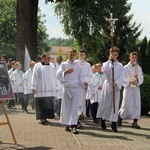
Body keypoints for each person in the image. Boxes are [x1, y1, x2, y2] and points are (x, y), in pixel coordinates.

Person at [56, 48, 88, 134]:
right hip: (67, 88)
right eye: (70, 54)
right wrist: (65, 72)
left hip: (75, 89)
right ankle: (66, 124)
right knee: (66, 107)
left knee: (74, 108)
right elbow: (58, 76)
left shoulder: (78, 66)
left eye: (73, 54)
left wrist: (84, 84)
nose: (72, 56)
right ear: (68, 54)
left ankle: (74, 126)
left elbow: (80, 77)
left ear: (75, 55)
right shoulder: (63, 65)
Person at [96, 46, 124, 132]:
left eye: (116, 55)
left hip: (115, 86)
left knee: (114, 105)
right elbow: (104, 70)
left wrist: (116, 83)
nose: (114, 56)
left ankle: (113, 123)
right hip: (108, 85)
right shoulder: (106, 64)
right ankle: (103, 120)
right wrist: (109, 61)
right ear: (110, 54)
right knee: (106, 103)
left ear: (117, 55)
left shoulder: (120, 65)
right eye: (113, 54)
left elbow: (122, 76)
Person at [118, 52, 144, 129]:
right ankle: (120, 116)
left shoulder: (138, 68)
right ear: (129, 58)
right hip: (128, 88)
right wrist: (130, 81)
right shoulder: (125, 68)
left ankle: (135, 121)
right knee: (126, 103)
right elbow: (122, 78)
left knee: (136, 104)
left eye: (135, 57)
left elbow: (141, 78)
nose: (134, 59)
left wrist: (138, 79)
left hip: (136, 88)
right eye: (133, 57)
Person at [31, 52, 57, 125]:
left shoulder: (52, 66)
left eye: (50, 58)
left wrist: (56, 86)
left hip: (49, 88)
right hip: (40, 88)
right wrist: (33, 87)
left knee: (48, 104)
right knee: (41, 104)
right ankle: (42, 118)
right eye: (48, 58)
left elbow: (55, 76)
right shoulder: (37, 65)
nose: (49, 59)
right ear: (43, 58)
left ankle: (46, 117)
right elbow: (34, 76)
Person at [77, 49, 93, 128]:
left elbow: (90, 76)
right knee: (76, 103)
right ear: (78, 54)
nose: (82, 56)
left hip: (83, 87)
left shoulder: (88, 65)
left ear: (85, 55)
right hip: (76, 86)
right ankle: (76, 121)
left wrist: (87, 82)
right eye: (81, 54)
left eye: (83, 54)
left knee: (81, 104)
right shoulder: (75, 63)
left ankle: (79, 118)